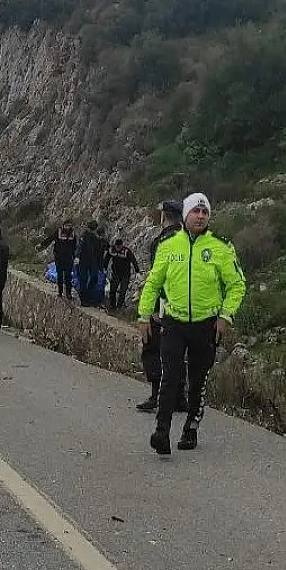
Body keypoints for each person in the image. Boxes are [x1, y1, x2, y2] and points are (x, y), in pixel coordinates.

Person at [137, 192, 247, 454]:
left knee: (197, 381)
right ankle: (161, 432)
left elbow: (237, 285)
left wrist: (225, 316)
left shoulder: (221, 247)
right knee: (170, 376)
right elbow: (153, 282)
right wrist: (144, 315)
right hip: (173, 322)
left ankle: (190, 428)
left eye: (204, 212)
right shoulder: (168, 245)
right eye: (195, 211)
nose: (200, 216)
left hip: (206, 325)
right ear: (185, 214)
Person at [138, 201, 187, 413]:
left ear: (164, 217)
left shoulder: (162, 242)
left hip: (164, 305)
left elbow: (158, 277)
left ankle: (157, 395)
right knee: (178, 351)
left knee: (153, 348)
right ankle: (180, 397)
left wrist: (155, 308)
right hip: (185, 306)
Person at [104, 238, 141, 311]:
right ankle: (112, 306)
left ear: (122, 245)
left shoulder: (126, 251)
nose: (117, 248)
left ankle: (119, 307)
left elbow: (133, 260)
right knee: (112, 290)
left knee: (123, 291)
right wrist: (104, 268)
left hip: (125, 275)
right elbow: (107, 259)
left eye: (119, 247)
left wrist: (137, 271)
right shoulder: (112, 250)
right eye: (116, 246)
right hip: (115, 274)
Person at [77, 221, 106, 308]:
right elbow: (79, 248)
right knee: (84, 279)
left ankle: (88, 297)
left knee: (94, 278)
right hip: (84, 261)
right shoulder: (84, 237)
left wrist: (100, 266)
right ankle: (83, 299)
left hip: (92, 262)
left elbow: (99, 253)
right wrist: (77, 257)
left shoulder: (95, 239)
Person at [51, 221, 77, 300]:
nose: (68, 227)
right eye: (66, 226)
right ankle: (60, 291)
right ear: (63, 225)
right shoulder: (58, 232)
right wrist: (41, 246)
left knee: (68, 276)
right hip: (59, 258)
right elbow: (50, 239)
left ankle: (68, 293)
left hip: (68, 258)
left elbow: (74, 246)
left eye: (69, 226)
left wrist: (75, 257)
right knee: (60, 275)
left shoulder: (73, 234)